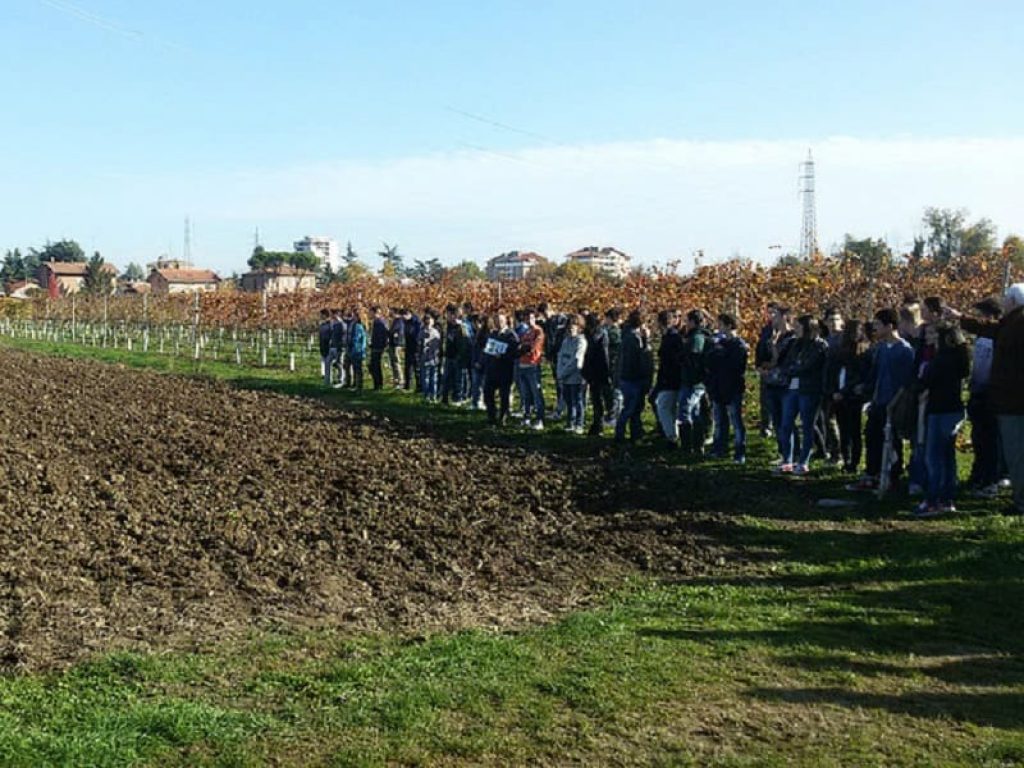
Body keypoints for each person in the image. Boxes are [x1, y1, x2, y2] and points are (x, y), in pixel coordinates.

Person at [948, 283, 1024, 516]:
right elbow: (989, 328)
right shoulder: (1012, 323)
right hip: (1010, 399)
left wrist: (961, 318)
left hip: (1013, 401)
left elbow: (992, 330)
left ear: (1012, 301)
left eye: (1006, 299)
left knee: (1016, 452)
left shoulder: (1017, 324)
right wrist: (962, 318)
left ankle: (1021, 502)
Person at [848, 308, 915, 492]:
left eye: (878, 324)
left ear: (890, 326)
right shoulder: (880, 349)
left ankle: (893, 477)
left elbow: (907, 382)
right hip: (878, 403)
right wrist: (865, 389)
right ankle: (872, 474)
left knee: (892, 442)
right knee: (872, 437)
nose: (875, 328)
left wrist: (896, 403)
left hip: (894, 405)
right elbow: (875, 375)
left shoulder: (905, 351)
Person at [913, 322, 970, 517]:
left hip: (938, 410)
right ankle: (947, 499)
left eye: (933, 335)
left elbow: (924, 381)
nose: (929, 339)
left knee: (934, 457)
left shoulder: (941, 360)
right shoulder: (959, 358)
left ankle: (933, 500)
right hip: (953, 410)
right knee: (948, 458)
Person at [776, 315, 828, 475]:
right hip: (793, 387)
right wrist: (791, 369)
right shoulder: (795, 344)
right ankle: (787, 459)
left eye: (798, 326)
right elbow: (787, 363)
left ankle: (803, 461)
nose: (795, 329)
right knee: (786, 424)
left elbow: (809, 366)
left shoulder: (820, 345)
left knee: (807, 426)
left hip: (810, 389)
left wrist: (794, 369)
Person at [963, 297, 1002, 497]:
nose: (977, 318)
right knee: (978, 438)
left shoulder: (995, 337)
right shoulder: (980, 337)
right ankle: (978, 475)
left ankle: (990, 479)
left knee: (989, 440)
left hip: (990, 393)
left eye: (980, 314)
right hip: (977, 390)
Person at [826, 320, 869, 474]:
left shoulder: (863, 353)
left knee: (853, 431)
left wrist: (843, 392)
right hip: (839, 394)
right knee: (845, 431)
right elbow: (832, 373)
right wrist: (833, 391)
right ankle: (847, 459)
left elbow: (859, 377)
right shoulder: (839, 352)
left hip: (852, 397)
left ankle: (854, 462)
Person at [706, 313, 749, 463]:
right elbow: (710, 361)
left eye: (721, 324)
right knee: (720, 421)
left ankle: (739, 452)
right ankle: (719, 449)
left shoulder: (738, 345)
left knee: (736, 421)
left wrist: (720, 355)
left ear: (729, 325)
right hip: (718, 386)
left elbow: (736, 366)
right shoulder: (719, 343)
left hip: (733, 387)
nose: (718, 328)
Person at [615, 310, 653, 443]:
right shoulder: (634, 338)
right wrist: (646, 341)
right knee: (631, 408)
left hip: (627, 377)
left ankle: (635, 434)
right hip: (633, 377)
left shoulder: (626, 334)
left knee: (633, 408)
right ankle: (621, 434)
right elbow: (641, 357)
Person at [678, 309, 710, 454]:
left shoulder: (696, 338)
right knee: (695, 412)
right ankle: (697, 445)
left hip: (693, 381)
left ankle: (688, 446)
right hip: (693, 381)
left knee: (685, 411)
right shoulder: (695, 336)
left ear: (692, 322)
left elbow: (694, 359)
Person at [651, 309, 684, 447]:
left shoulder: (671, 338)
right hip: (670, 379)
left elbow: (671, 362)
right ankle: (670, 433)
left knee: (664, 406)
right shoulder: (672, 336)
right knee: (667, 407)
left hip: (670, 379)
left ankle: (671, 436)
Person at [482, 312, 520, 427]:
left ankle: (503, 417)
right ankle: (491, 416)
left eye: (501, 321)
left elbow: (515, 353)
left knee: (504, 395)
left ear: (505, 322)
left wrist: (503, 356)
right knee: (488, 393)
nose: (498, 323)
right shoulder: (492, 334)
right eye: (496, 321)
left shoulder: (511, 335)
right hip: (492, 369)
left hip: (505, 370)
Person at [557, 314, 588, 434]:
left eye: (573, 326)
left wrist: (564, 373)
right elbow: (560, 356)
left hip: (576, 377)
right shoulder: (565, 341)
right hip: (564, 377)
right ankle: (570, 422)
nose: (571, 328)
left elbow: (576, 360)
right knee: (568, 401)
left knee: (578, 401)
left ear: (579, 327)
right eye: (569, 326)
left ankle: (579, 424)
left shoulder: (581, 341)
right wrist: (560, 372)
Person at [517, 308, 546, 430]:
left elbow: (532, 348)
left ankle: (540, 419)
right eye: (527, 318)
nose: (529, 320)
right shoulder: (525, 332)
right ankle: (527, 416)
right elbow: (519, 347)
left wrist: (523, 348)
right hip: (522, 364)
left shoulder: (538, 331)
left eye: (532, 318)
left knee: (536, 392)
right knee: (525, 393)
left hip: (533, 364)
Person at [582, 313, 611, 435]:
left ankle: (599, 424)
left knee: (599, 398)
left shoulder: (597, 336)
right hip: (594, 371)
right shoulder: (594, 335)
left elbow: (603, 356)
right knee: (597, 399)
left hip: (597, 371)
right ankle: (598, 423)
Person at [441, 304, 470, 405]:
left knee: (459, 379)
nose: (446, 317)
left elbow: (464, 344)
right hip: (449, 356)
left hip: (457, 357)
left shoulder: (461, 327)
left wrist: (460, 356)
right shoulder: (448, 326)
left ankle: (458, 398)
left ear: (454, 315)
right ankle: (445, 398)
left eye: (448, 314)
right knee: (446, 378)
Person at [602, 308, 623, 427]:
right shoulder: (615, 331)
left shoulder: (613, 332)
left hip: (613, 364)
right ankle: (612, 414)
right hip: (613, 363)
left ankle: (613, 416)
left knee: (614, 391)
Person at [418, 312, 442, 402]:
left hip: (428, 358)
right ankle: (432, 396)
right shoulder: (435, 332)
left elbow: (419, 346)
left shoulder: (422, 332)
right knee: (432, 378)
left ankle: (428, 396)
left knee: (428, 378)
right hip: (432, 358)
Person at [368, 306, 389, 390]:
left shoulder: (379, 322)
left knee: (375, 366)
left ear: (374, 312)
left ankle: (378, 385)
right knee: (374, 366)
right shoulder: (377, 322)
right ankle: (377, 384)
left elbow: (382, 335)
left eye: (370, 312)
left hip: (377, 347)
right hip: (375, 346)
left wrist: (380, 345)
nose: (369, 314)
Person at [347, 310, 367, 391]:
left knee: (358, 369)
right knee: (355, 368)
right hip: (355, 349)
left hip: (357, 350)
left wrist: (354, 349)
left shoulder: (358, 326)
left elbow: (356, 339)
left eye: (354, 316)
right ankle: (355, 384)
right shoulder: (355, 325)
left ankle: (359, 386)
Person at [402, 309, 421, 392]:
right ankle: (407, 385)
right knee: (407, 367)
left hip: (415, 348)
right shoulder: (406, 323)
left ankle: (419, 386)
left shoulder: (416, 323)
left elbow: (416, 336)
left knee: (416, 367)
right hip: (408, 347)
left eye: (405, 315)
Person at [330, 309, 348, 388]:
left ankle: (341, 379)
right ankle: (337, 378)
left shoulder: (342, 324)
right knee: (336, 363)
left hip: (340, 347)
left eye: (334, 314)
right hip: (333, 346)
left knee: (340, 363)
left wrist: (341, 346)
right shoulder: (334, 324)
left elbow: (343, 335)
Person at [386, 309, 404, 388]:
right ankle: (396, 379)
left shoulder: (399, 321)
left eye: (391, 312)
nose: (390, 314)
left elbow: (395, 332)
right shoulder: (394, 321)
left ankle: (400, 380)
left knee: (396, 363)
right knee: (393, 363)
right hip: (392, 344)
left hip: (396, 344)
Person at [318, 309, 334, 388]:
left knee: (329, 364)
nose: (320, 316)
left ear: (325, 315)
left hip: (328, 346)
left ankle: (328, 382)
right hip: (323, 346)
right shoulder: (322, 325)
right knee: (325, 364)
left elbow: (331, 336)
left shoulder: (330, 324)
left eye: (321, 315)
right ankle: (327, 381)